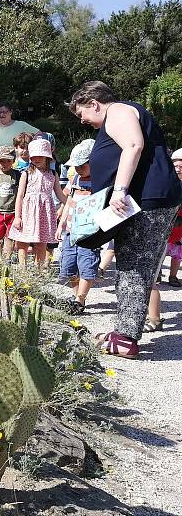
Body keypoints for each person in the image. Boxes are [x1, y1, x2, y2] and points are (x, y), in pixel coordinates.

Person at [69, 80, 182, 357]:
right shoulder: (122, 113)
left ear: (94, 102)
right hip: (143, 201)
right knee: (133, 264)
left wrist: (119, 190)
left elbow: (133, 145)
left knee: (135, 267)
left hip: (146, 200)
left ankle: (125, 339)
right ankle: (125, 331)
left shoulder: (118, 111)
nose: (83, 119)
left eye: (82, 112)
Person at [8, 138, 67, 267]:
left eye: (40, 156)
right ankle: (22, 268)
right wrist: (17, 217)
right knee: (23, 242)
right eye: (34, 156)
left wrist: (74, 202)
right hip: (28, 213)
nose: (37, 159)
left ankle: (39, 270)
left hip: (44, 214)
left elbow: (60, 195)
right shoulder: (26, 174)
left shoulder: (53, 174)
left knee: (42, 242)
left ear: (47, 157)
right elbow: (19, 197)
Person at [56, 139, 99, 313]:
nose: (78, 169)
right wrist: (61, 224)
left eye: (82, 166)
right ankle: (76, 297)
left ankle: (80, 299)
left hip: (88, 232)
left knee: (87, 265)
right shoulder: (75, 179)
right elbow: (68, 202)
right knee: (69, 266)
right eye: (76, 166)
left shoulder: (100, 180)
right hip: (70, 231)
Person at [0, 103, 39, 200]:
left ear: (11, 112)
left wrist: (30, 148)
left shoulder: (20, 125)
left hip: (11, 166)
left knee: (9, 196)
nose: (2, 114)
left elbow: (39, 134)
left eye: (4, 112)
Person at [0, 146, 20, 260]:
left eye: (8, 161)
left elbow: (21, 194)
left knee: (10, 236)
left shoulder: (17, 175)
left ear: (13, 161)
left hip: (12, 212)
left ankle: (7, 258)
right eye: (1, 161)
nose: (5, 163)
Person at [160, 148, 182, 288]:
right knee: (161, 249)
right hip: (167, 221)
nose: (179, 169)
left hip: (180, 223)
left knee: (177, 253)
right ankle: (156, 273)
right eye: (176, 166)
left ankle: (173, 276)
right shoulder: (167, 181)